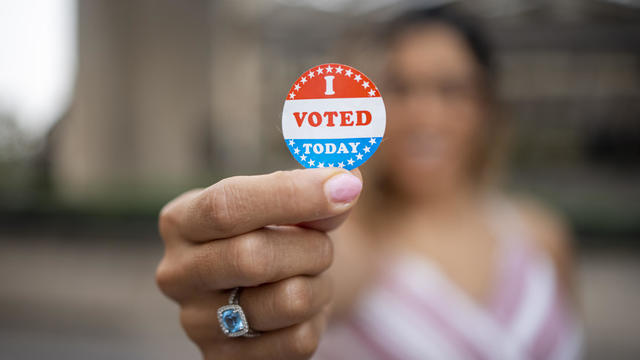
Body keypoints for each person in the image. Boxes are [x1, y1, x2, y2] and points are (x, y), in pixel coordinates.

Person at [156, 6, 582, 360]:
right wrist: (249, 288)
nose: (424, 115)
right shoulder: (355, 240)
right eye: (400, 87)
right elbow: (317, 282)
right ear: (368, 106)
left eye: (450, 89)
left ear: (486, 107)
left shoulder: (541, 235)